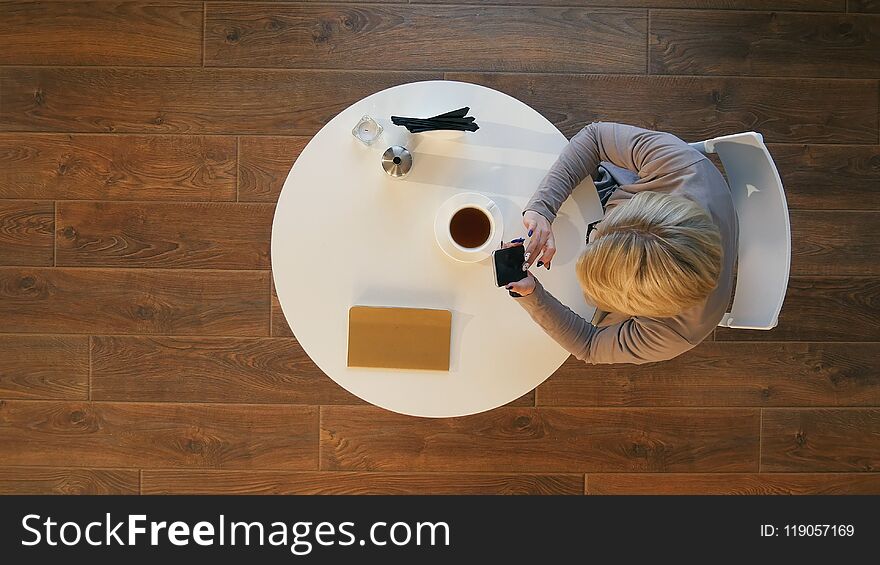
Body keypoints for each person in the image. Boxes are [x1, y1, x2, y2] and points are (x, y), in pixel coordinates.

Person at [502, 122, 738, 364]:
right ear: (641, 205)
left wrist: (533, 295)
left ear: (642, 309)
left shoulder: (675, 335)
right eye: (599, 234)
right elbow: (595, 137)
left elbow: (590, 345)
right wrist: (543, 206)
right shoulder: (682, 166)